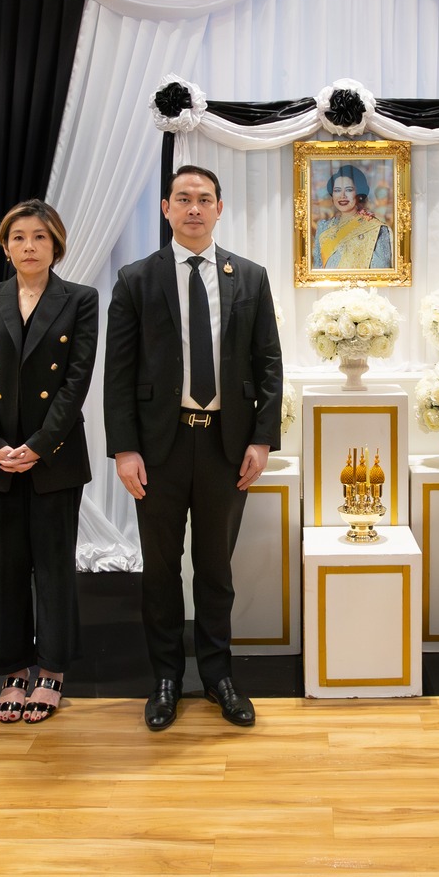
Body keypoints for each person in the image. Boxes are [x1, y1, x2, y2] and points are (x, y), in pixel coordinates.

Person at [105, 165, 283, 731]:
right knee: (159, 570)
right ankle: (164, 679)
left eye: (204, 199)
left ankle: (217, 676)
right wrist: (124, 449)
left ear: (219, 209)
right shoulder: (136, 279)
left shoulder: (249, 277)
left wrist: (262, 437)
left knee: (215, 569)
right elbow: (118, 372)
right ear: (166, 208)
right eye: (183, 199)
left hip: (226, 445)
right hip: (158, 447)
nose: (194, 209)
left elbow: (269, 363)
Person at [0, 201, 99, 725]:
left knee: (54, 564)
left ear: (55, 244)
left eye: (39, 237)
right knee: (7, 567)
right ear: (5, 246)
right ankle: (13, 669)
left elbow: (76, 380)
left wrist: (40, 445)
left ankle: (52, 670)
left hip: (54, 454)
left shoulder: (79, 299)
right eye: (18, 237)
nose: (28, 246)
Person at [312, 165, 393, 269]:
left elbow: (381, 270)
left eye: (349, 190)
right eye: (337, 190)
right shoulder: (323, 228)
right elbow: (317, 269)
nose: (342, 195)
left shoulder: (376, 228)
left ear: (359, 194)